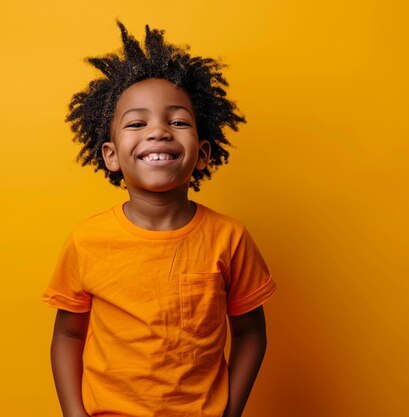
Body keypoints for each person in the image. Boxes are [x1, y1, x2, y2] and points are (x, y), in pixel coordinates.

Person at [42, 21, 277, 417]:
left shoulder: (229, 237)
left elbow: (251, 333)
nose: (159, 132)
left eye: (178, 121)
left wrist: (231, 410)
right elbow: (67, 333)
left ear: (202, 153)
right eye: (136, 123)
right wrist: (73, 413)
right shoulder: (87, 240)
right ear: (111, 155)